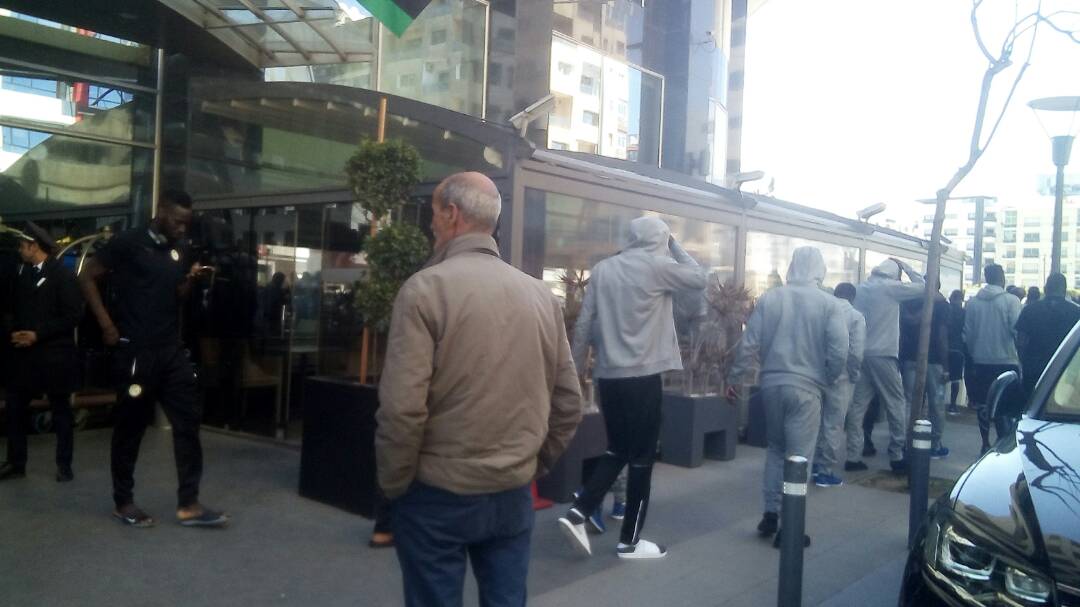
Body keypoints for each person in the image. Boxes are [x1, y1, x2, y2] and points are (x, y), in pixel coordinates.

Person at [375, 172, 582, 606]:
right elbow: (569, 402)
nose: (430, 223)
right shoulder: (541, 297)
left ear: (452, 214)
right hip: (512, 491)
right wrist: (533, 464)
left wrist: (395, 485)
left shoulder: (424, 290)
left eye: (432, 213)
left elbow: (402, 410)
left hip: (437, 492)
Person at [558, 216, 706, 560]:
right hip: (643, 377)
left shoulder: (605, 269)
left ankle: (579, 513)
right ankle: (630, 542)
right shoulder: (658, 266)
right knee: (641, 459)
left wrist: (575, 371)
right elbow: (698, 278)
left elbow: (583, 324)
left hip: (609, 377)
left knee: (618, 450)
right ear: (659, 238)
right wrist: (673, 244)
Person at [80, 190, 229, 528]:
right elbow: (86, 276)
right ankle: (124, 501)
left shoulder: (179, 247)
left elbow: (177, 294)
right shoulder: (128, 242)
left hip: (170, 351)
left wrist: (189, 279)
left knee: (188, 424)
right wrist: (106, 324)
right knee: (130, 427)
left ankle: (189, 503)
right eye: (177, 220)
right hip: (136, 352)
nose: (181, 227)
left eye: (186, 223)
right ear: (161, 211)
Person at [728, 247, 847, 544]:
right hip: (807, 388)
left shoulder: (771, 298)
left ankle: (770, 513)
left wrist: (734, 378)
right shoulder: (829, 304)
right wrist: (829, 377)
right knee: (799, 459)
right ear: (819, 268)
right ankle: (789, 528)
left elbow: (748, 343)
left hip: (771, 385)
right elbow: (840, 350)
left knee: (776, 451)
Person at [0, 222, 84, 482]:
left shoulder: (62, 275)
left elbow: (73, 315)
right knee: (15, 406)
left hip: (53, 354)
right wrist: (13, 331)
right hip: (24, 353)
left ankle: (64, 464)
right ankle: (16, 462)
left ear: (34, 246)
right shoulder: (22, 272)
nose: (19, 251)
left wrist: (39, 333)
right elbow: (12, 306)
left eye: (23, 246)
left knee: (61, 410)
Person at [846, 259, 925, 473]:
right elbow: (925, 286)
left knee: (857, 406)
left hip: (862, 352)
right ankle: (897, 454)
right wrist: (907, 267)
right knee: (896, 403)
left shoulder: (861, 288)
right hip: (884, 354)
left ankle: (852, 455)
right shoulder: (891, 288)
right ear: (894, 274)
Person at [963, 264, 1022, 452]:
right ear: (1001, 277)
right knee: (1006, 405)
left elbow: (968, 334)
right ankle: (1003, 440)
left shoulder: (973, 303)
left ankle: (985, 441)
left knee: (983, 403)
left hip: (980, 360)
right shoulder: (1011, 301)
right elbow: (1016, 331)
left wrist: (974, 353)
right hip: (1007, 360)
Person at [812, 282, 864, 488]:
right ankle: (824, 470)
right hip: (841, 377)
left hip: (817, 374)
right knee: (833, 423)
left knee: (815, 421)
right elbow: (856, 352)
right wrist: (854, 374)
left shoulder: (822, 312)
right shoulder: (856, 317)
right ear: (853, 297)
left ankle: (813, 463)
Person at [898, 282, 951, 459]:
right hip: (934, 359)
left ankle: (906, 441)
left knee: (908, 401)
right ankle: (935, 444)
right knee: (936, 402)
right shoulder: (942, 305)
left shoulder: (909, 303)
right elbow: (942, 335)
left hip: (910, 357)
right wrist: (946, 365)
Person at [1016, 274, 1080, 399]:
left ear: (1045, 288)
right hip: (1066, 371)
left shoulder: (1029, 310)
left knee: (1030, 405)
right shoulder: (1076, 312)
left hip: (1034, 368)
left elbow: (1021, 342)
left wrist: (1024, 362)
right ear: (1064, 289)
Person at [946, 290, 966, 415]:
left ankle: (936, 402)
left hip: (944, 347)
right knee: (956, 379)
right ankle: (953, 405)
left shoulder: (947, 311)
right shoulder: (964, 313)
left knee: (941, 376)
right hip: (959, 348)